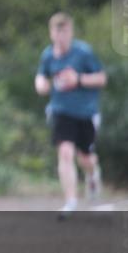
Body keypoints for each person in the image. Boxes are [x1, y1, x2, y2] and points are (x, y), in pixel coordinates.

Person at [34, 12, 107, 218]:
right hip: (61, 111)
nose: (61, 36)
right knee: (65, 152)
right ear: (51, 34)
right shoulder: (48, 55)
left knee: (86, 158)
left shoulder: (83, 53)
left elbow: (101, 78)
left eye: (65, 31)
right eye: (57, 32)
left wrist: (79, 79)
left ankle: (92, 174)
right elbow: (41, 77)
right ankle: (71, 201)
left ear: (71, 32)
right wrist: (41, 85)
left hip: (85, 112)